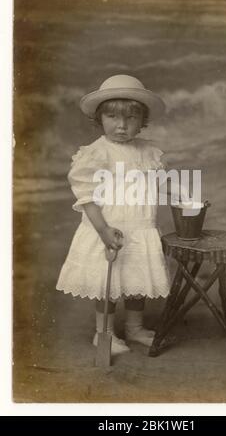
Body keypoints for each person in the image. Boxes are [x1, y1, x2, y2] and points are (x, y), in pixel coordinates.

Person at [56, 74, 171, 355]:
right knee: (107, 285)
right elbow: (87, 197)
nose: (121, 125)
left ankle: (134, 328)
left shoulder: (149, 152)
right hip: (108, 228)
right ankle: (104, 332)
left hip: (140, 226)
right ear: (100, 118)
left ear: (142, 120)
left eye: (131, 118)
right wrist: (103, 230)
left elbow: (156, 187)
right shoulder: (96, 154)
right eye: (112, 117)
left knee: (137, 281)